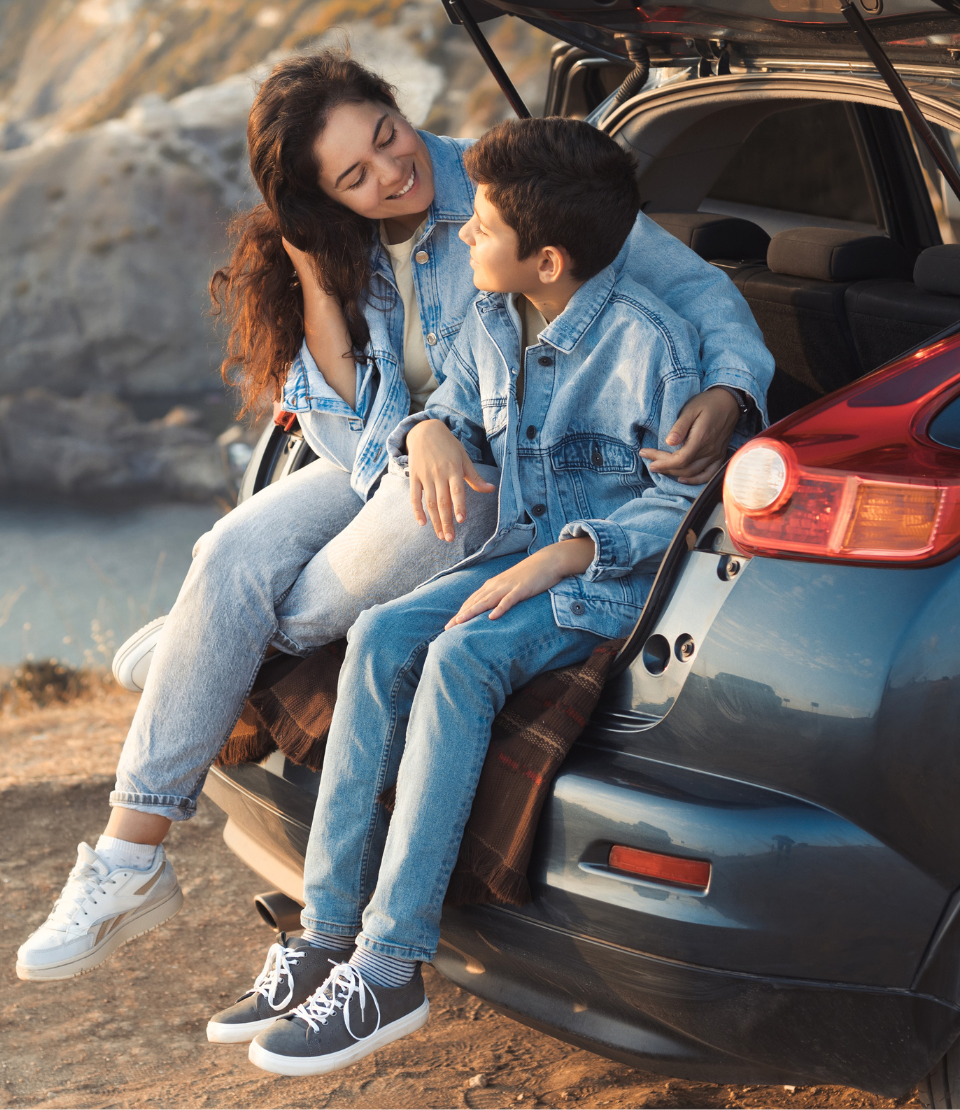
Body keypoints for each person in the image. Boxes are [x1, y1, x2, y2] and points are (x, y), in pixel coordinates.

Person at [15, 52, 772, 985]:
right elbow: (339, 427)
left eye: (387, 135)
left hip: (489, 478)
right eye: (352, 177)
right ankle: (131, 857)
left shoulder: (504, 192)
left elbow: (697, 294)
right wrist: (322, 287)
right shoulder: (336, 237)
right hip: (385, 452)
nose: (389, 173)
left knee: (314, 575)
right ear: (320, 194)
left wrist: (734, 391)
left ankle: (212, 647)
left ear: (397, 107)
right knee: (228, 550)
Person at [217, 114, 716, 1077]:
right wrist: (424, 434)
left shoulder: (652, 345)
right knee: (379, 636)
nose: (461, 240)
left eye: (479, 229)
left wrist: (569, 554)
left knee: (457, 660)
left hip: (604, 579)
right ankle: (326, 934)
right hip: (520, 544)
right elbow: (450, 396)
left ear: (548, 260)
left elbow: (682, 503)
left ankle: (393, 962)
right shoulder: (492, 315)